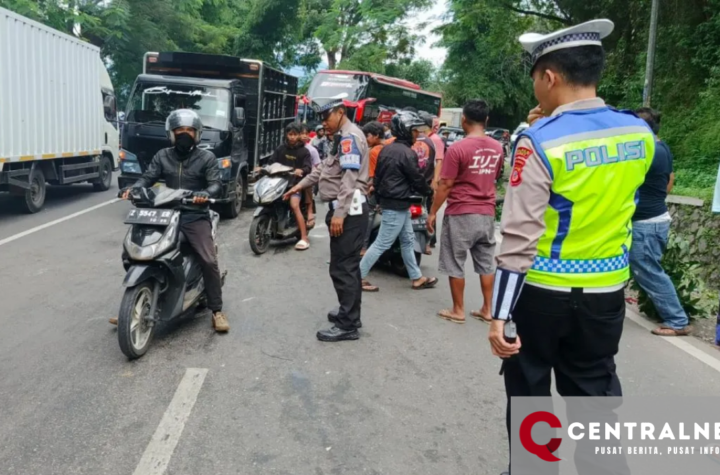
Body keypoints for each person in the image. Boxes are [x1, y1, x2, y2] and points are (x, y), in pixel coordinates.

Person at [487, 20, 655, 475]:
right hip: (605, 295)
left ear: (550, 76)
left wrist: (499, 314)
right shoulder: (639, 135)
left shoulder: (539, 141)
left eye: (535, 79)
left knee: (530, 396)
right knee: (595, 397)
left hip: (543, 293)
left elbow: (519, 238)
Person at [118, 109, 230, 332]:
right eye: (179, 130)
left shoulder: (206, 157)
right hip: (164, 212)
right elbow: (148, 177)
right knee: (134, 250)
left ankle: (217, 310)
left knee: (208, 260)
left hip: (194, 215)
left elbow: (215, 183)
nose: (184, 134)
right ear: (171, 133)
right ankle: (138, 302)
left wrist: (206, 194)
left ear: (197, 134)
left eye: (189, 130)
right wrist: (134, 189)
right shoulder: (162, 156)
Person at [283, 98, 370, 342]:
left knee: (344, 268)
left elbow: (349, 179)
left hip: (349, 212)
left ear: (340, 113)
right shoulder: (340, 138)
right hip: (345, 210)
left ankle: (348, 324)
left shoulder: (349, 138)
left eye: (326, 118)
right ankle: (349, 313)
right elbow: (323, 170)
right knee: (344, 266)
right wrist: (298, 186)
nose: (323, 123)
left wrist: (340, 214)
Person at [427, 100, 503, 324]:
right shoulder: (498, 147)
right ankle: (487, 310)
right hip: (487, 213)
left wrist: (432, 212)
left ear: (463, 120)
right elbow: (495, 176)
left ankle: (458, 310)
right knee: (486, 262)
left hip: (461, 212)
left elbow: (446, 184)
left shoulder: (458, 148)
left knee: (454, 261)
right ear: (486, 120)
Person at [360, 111, 438, 292]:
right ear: (404, 130)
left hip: (395, 203)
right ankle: (358, 275)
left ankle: (417, 277)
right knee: (382, 243)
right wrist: (429, 191)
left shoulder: (386, 149)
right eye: (414, 131)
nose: (417, 135)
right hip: (396, 204)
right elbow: (416, 179)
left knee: (408, 240)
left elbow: (378, 177)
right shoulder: (407, 153)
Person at [631, 107, 691, 336]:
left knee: (648, 271)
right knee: (640, 269)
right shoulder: (661, 147)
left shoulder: (649, 151)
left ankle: (677, 321)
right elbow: (670, 179)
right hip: (651, 220)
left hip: (646, 223)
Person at [267, 122, 313, 250]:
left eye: (295, 134)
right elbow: (271, 162)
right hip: (278, 183)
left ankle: (304, 237)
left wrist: (301, 170)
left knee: (294, 205)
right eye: (290, 134)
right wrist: (264, 168)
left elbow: (308, 167)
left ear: (299, 135)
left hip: (294, 185)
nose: (292, 137)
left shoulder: (304, 151)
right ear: (286, 135)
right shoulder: (281, 149)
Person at [361, 121, 386, 255]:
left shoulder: (374, 151)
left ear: (376, 135)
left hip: (378, 189)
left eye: (368, 135)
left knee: (368, 212)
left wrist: (368, 187)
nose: (366, 139)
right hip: (392, 190)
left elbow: (371, 176)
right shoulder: (389, 146)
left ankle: (363, 246)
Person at [300, 124, 320, 227]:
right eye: (301, 133)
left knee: (307, 189)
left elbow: (318, 165)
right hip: (294, 176)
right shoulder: (292, 148)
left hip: (308, 176)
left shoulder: (312, 150)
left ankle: (309, 212)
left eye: (306, 133)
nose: (304, 136)